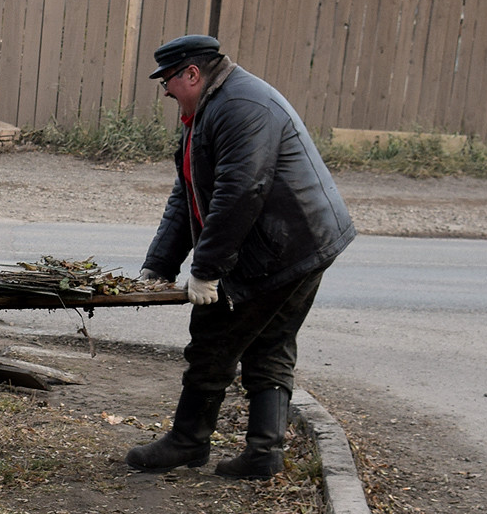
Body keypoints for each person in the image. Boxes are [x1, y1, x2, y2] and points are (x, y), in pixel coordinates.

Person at [126, 34, 356, 479]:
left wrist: (207, 270)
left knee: (213, 336)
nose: (166, 92)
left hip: (286, 245)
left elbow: (239, 194)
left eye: (168, 82)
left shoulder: (242, 107)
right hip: (301, 240)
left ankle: (188, 441)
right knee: (269, 342)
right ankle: (263, 453)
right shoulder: (211, 108)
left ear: (192, 74)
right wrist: (159, 265)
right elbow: (188, 194)